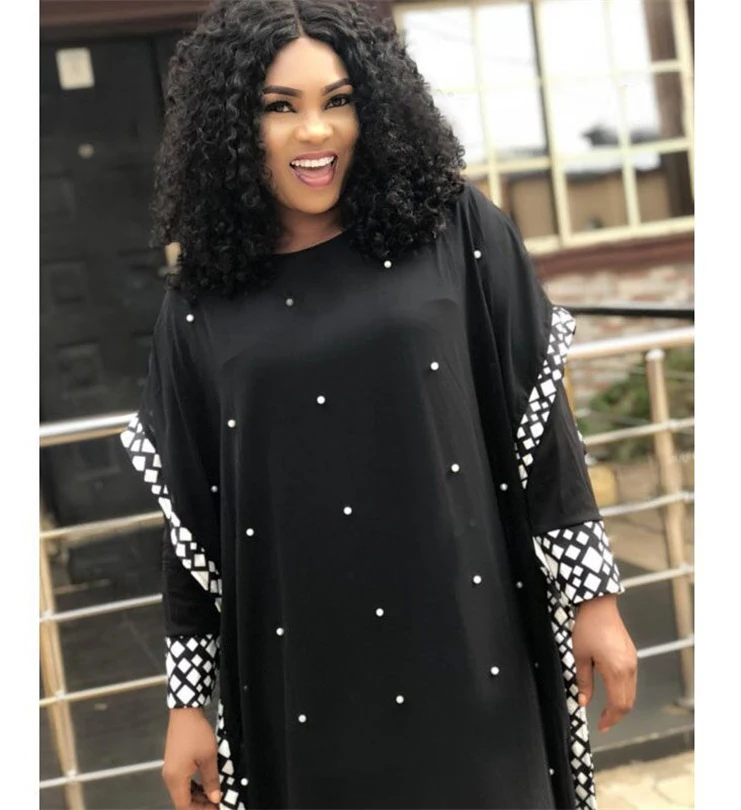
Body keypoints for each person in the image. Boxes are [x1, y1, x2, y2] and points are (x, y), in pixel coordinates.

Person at [121, 1, 638, 808]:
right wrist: (189, 704)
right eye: (279, 107)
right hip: (304, 677)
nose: (315, 131)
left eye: (339, 99)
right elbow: (193, 529)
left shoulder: (455, 230)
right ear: (231, 126)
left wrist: (593, 599)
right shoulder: (200, 303)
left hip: (470, 641)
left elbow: (541, 430)